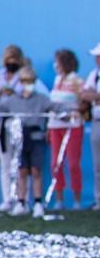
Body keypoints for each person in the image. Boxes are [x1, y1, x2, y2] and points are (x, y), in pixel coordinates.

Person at [0, 67, 70, 218]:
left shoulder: (41, 99)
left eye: (30, 81)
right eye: (24, 81)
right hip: (20, 140)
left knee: (36, 171)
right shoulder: (13, 100)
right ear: (21, 82)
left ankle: (37, 203)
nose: (27, 84)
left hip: (36, 138)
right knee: (21, 171)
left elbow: (56, 107)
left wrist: (68, 111)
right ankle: (21, 202)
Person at [46, 49, 85, 209]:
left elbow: (84, 101)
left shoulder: (77, 80)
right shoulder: (57, 80)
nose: (56, 65)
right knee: (56, 163)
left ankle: (77, 200)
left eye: (59, 61)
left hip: (72, 126)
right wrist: (49, 127)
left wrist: (78, 111)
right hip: (55, 126)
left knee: (73, 164)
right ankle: (59, 199)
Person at [81, 43, 100, 210]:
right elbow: (85, 94)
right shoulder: (94, 75)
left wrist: (94, 96)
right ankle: (98, 200)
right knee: (97, 164)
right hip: (96, 122)